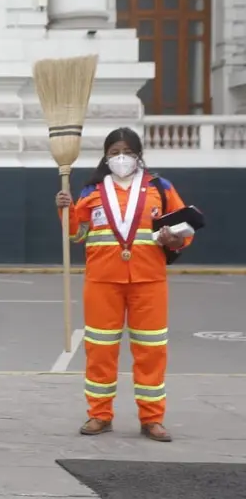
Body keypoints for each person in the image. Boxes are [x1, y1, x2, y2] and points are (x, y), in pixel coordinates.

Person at [55, 127, 192, 443]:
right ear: (106, 156)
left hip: (149, 280)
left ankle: (152, 418)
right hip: (103, 281)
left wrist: (177, 238)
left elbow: (185, 228)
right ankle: (99, 414)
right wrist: (64, 208)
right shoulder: (91, 192)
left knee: (151, 351)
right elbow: (75, 235)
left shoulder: (160, 187)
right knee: (100, 350)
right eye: (114, 152)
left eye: (127, 152)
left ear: (138, 154)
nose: (121, 158)